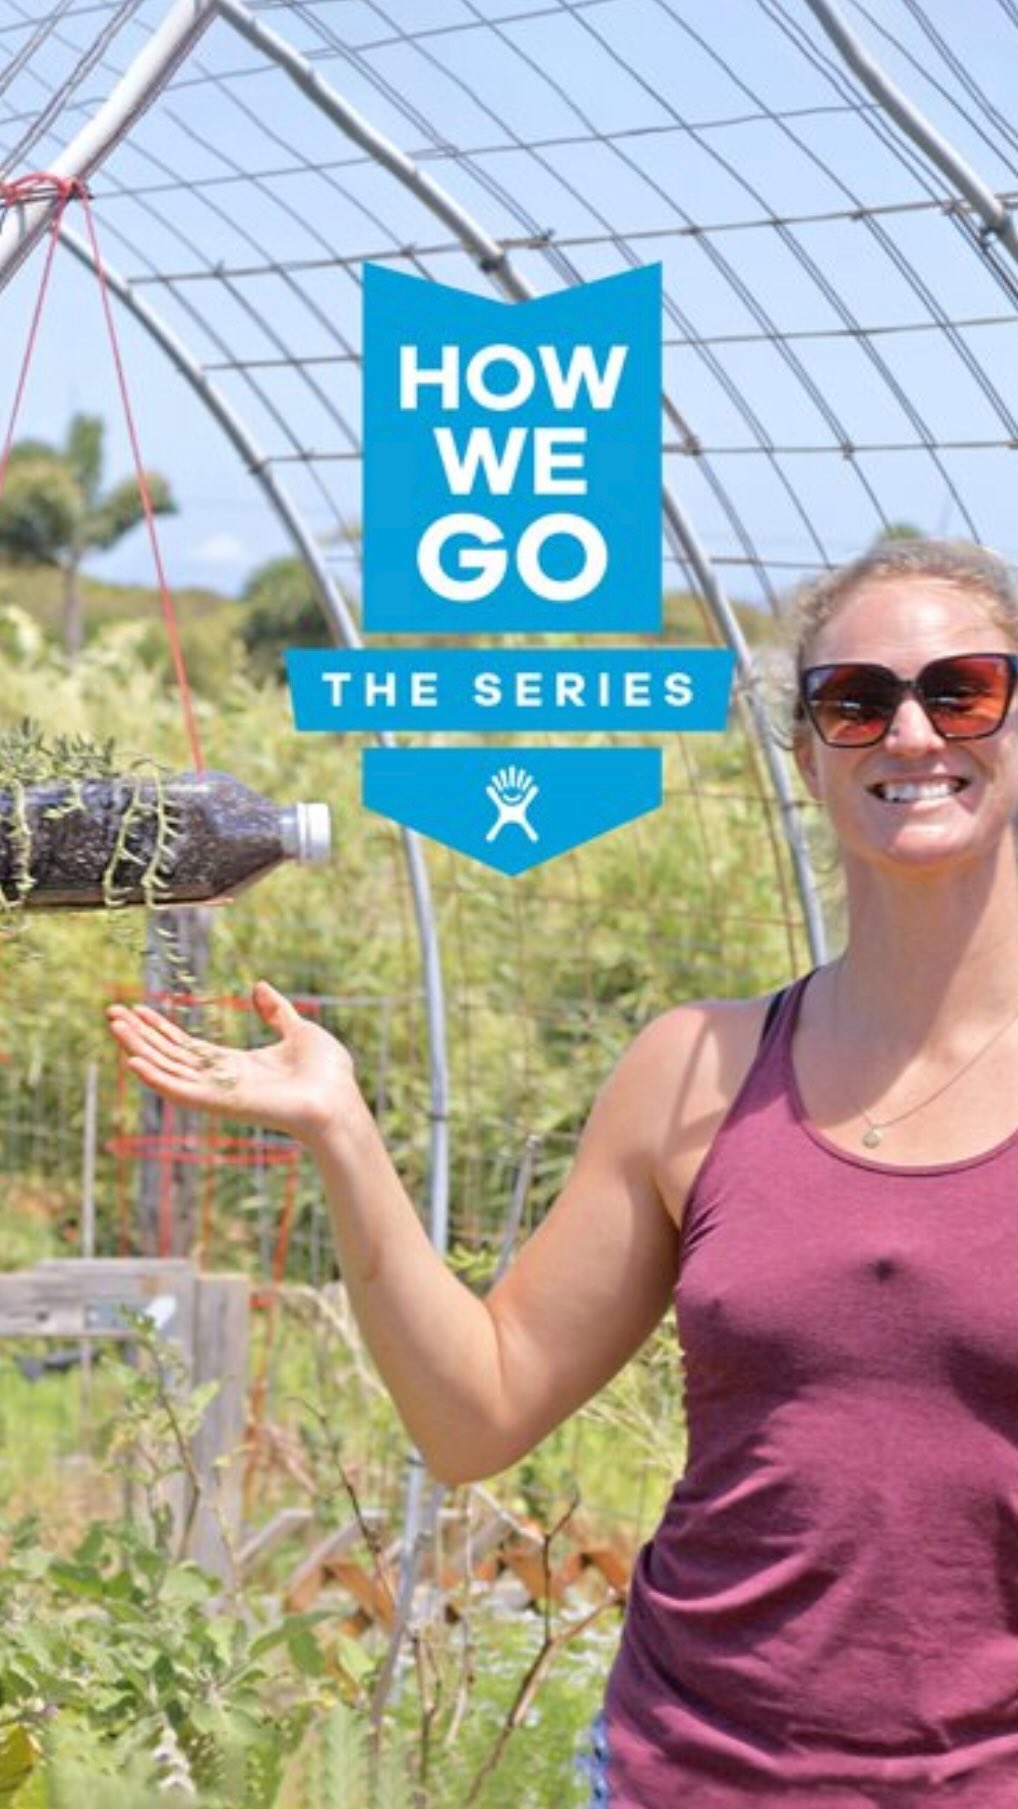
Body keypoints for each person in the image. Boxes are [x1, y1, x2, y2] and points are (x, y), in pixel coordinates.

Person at [107, 536, 1018, 1807]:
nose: (910, 733)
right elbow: (475, 1414)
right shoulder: (695, 1073)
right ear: (806, 757)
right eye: (854, 702)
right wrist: (342, 1132)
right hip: (681, 1771)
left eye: (963, 691)